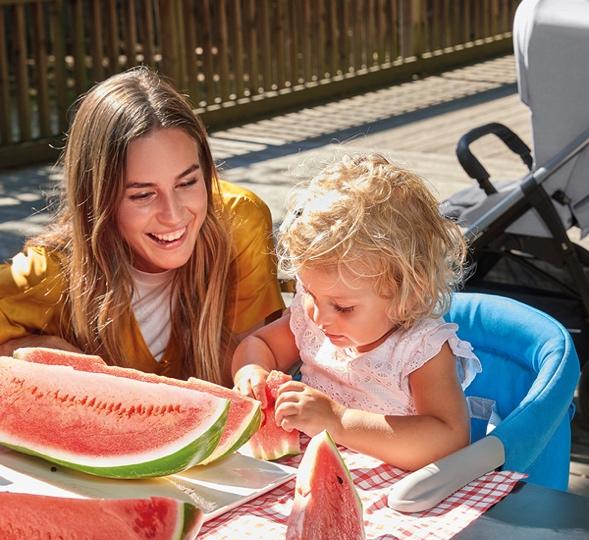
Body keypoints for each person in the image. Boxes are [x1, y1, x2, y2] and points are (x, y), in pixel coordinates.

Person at [0, 68, 284, 386]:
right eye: (143, 195)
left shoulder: (241, 220)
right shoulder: (49, 271)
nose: (173, 214)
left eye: (188, 182)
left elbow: (256, 359)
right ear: (97, 198)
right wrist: (25, 349)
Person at [232, 154, 481, 469]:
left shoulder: (421, 349)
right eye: (307, 291)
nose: (319, 318)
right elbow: (260, 345)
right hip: (304, 471)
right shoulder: (312, 319)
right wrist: (251, 374)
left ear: (408, 293)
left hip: (400, 494)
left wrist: (340, 421)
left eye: (343, 307)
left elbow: (450, 438)